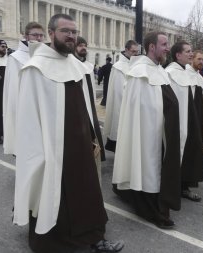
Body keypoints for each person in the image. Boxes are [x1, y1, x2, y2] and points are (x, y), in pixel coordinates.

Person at [13, 14, 124, 253]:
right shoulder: (35, 69)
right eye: (65, 31)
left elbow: (85, 107)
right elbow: (29, 117)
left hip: (81, 146)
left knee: (88, 193)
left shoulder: (77, 66)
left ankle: (94, 238)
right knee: (54, 196)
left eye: (74, 31)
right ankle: (53, 242)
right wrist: (38, 153)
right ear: (52, 34)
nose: (71, 36)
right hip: (52, 148)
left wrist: (93, 138)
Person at [112, 31, 180, 229]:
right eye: (165, 44)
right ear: (152, 47)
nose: (168, 48)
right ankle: (150, 208)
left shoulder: (158, 69)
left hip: (159, 133)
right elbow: (137, 109)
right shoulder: (139, 71)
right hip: (147, 134)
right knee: (148, 167)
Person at [165, 41, 203, 202]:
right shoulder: (169, 73)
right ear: (178, 54)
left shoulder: (189, 74)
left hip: (190, 119)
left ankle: (183, 185)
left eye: (191, 51)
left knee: (189, 151)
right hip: (178, 121)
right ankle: (175, 186)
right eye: (188, 51)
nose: (191, 54)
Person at [3, 22, 45, 155]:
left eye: (41, 35)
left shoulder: (45, 56)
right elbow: (14, 88)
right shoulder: (15, 58)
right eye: (35, 35)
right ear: (26, 36)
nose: (38, 38)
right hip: (23, 104)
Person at [74, 36, 106, 182]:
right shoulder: (71, 64)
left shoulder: (88, 65)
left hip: (90, 106)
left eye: (85, 45)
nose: (83, 48)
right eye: (80, 45)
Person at [104, 40, 139, 152]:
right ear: (127, 50)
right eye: (133, 51)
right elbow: (119, 93)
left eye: (137, 52)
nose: (135, 54)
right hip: (124, 106)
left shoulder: (136, 64)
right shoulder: (119, 67)